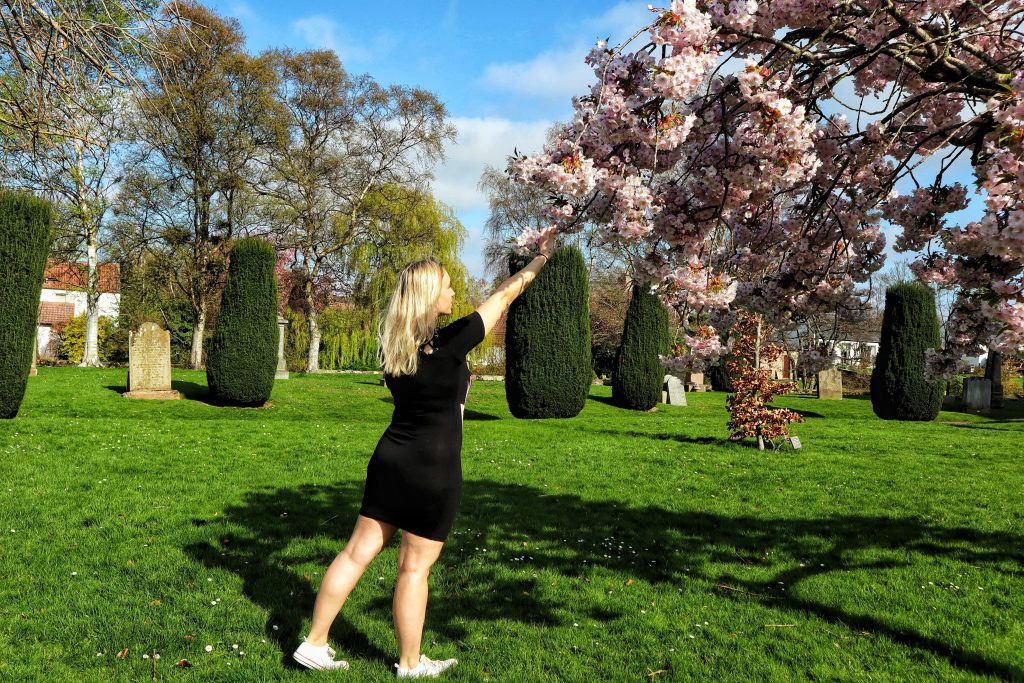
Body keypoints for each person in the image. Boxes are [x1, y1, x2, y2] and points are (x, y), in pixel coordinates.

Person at [292, 229, 557, 678]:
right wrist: (540, 260)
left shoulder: (395, 346)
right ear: (431, 295)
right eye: (448, 285)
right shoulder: (452, 342)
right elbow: (506, 295)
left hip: (390, 459)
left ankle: (314, 643)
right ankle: (410, 664)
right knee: (413, 569)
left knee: (356, 553)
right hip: (433, 469)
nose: (455, 291)